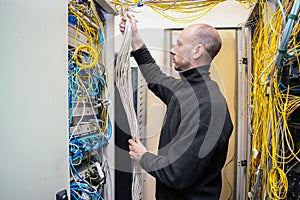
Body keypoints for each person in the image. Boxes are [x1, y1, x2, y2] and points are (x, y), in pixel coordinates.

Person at [120, 13, 233, 200]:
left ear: (197, 51)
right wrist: (135, 39)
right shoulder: (186, 88)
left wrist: (144, 156)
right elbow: (156, 78)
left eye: (179, 44)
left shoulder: (209, 107)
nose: (173, 49)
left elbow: (177, 173)